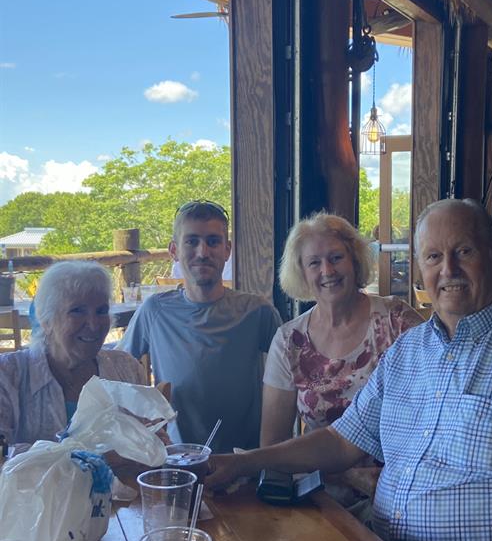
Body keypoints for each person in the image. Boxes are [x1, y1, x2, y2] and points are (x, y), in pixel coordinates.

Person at [206, 198, 492, 541]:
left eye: (463, 252)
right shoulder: (408, 350)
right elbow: (343, 440)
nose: (447, 269)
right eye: (432, 257)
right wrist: (243, 462)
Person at [261, 212, 421, 515]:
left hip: (402, 494)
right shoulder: (288, 341)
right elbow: (273, 445)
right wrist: (346, 475)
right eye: (314, 263)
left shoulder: (397, 320)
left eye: (336, 257)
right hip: (321, 499)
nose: (327, 270)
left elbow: (435, 413)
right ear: (302, 273)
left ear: (355, 261)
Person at [119, 200, 281, 452]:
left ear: (227, 250)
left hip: (246, 459)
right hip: (178, 457)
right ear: (174, 250)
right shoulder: (154, 311)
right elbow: (117, 371)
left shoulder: (257, 312)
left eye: (213, 241)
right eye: (191, 241)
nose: (203, 252)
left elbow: (291, 376)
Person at [0, 261, 146, 453]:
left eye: (101, 311)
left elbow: (145, 445)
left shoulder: (126, 369)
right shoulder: (9, 375)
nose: (94, 324)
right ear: (47, 320)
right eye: (77, 310)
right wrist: (90, 458)